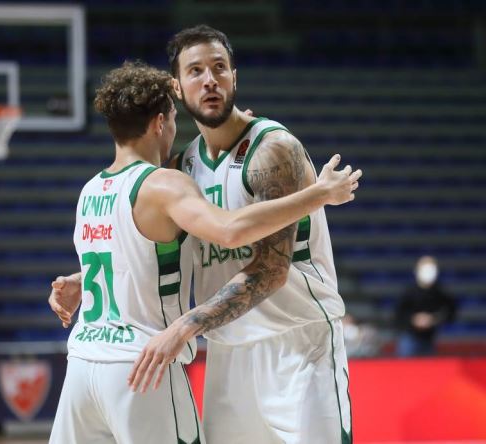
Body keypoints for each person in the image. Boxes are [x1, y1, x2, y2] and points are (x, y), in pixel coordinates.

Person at [48, 60, 361, 443]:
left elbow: (129, 254)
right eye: (173, 119)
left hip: (83, 362)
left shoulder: (91, 190)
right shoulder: (167, 183)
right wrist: (318, 195)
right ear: (160, 122)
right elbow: (230, 230)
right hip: (143, 361)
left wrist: (82, 280)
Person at [127, 25, 355, 444]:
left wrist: (184, 327)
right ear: (177, 88)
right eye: (196, 71)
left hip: (298, 343)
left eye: (219, 68)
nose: (209, 80)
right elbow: (151, 244)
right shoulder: (183, 168)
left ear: (234, 77)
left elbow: (270, 271)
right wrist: (85, 277)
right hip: (229, 350)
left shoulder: (273, 150)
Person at [394, 255, 456, 357]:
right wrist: (414, 320)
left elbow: (450, 312)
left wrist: (433, 319)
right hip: (410, 338)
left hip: (429, 339)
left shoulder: (439, 292)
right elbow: (399, 315)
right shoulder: (409, 292)